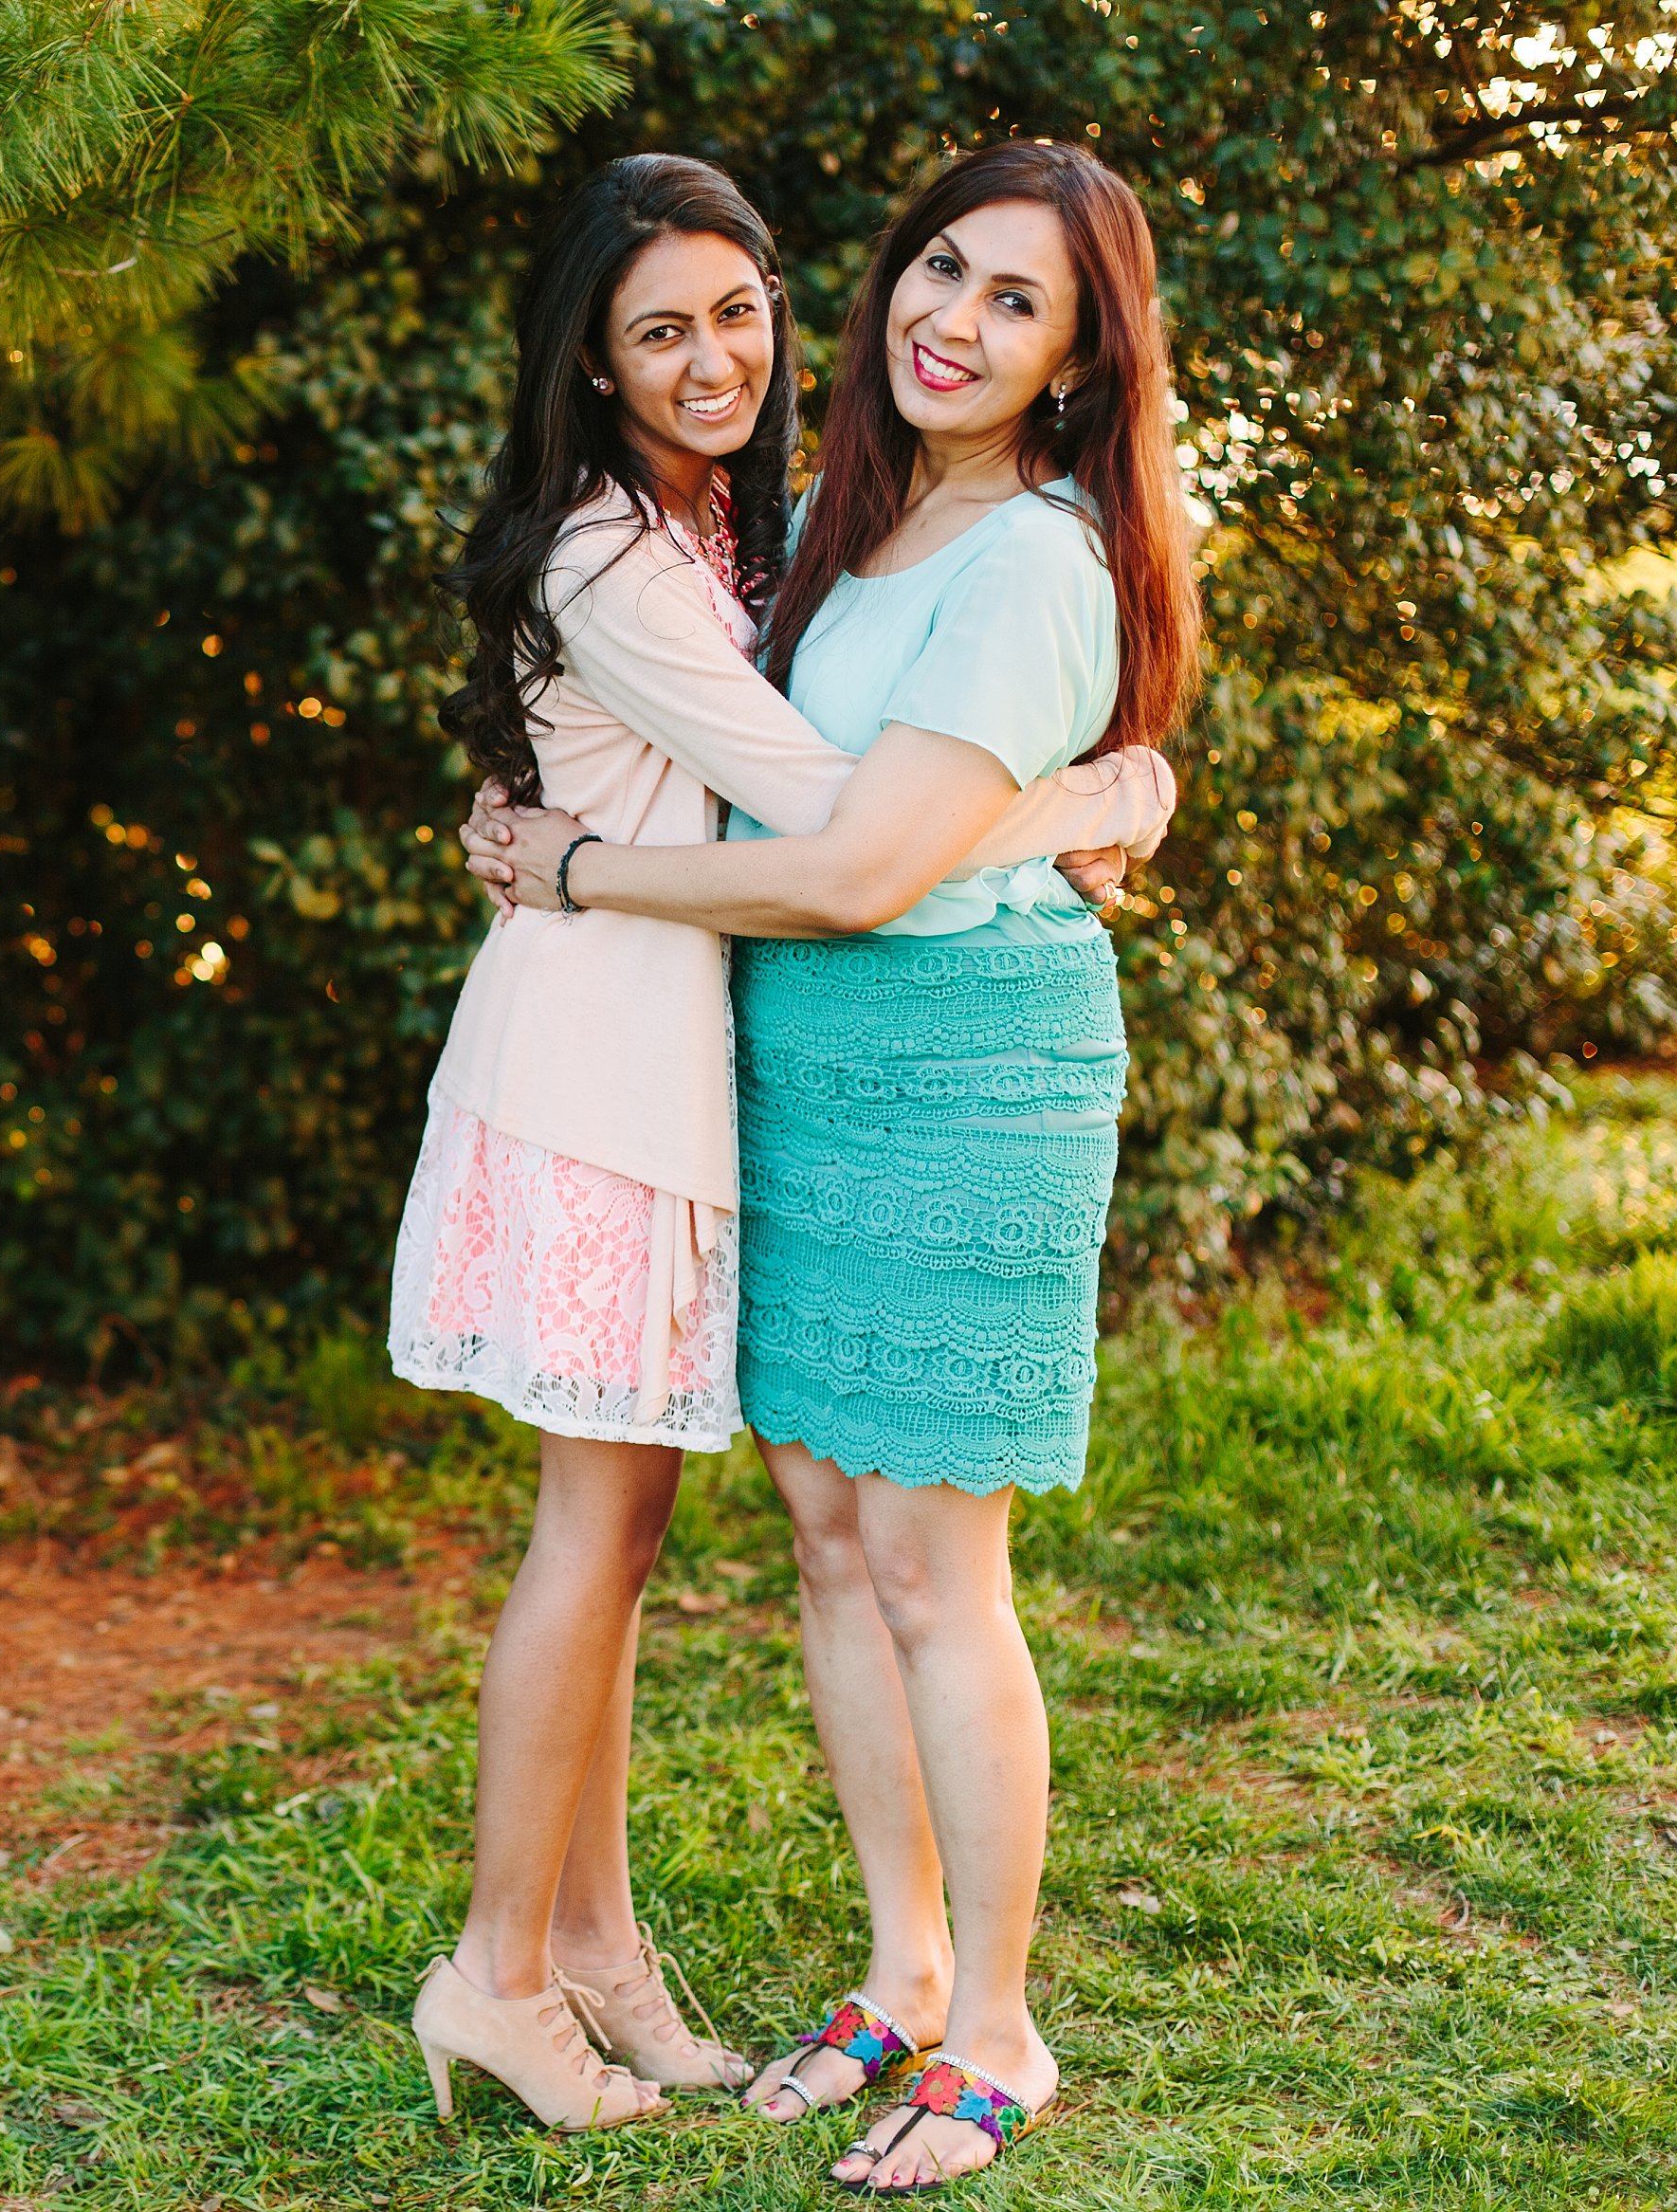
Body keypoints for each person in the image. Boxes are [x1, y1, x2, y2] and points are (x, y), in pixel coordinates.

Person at [399, 151, 1177, 2139]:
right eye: (943, 270)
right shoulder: (769, 529)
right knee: (759, 1538)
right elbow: (826, 841)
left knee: (873, 1548)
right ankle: (748, 1970)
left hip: (900, 1063)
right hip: (716, 1064)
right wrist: (1085, 791)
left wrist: (1092, 782)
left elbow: (853, 850)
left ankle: (965, 2023)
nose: (958, 321)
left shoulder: (979, 549)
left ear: (1084, 358)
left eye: (1020, 302)